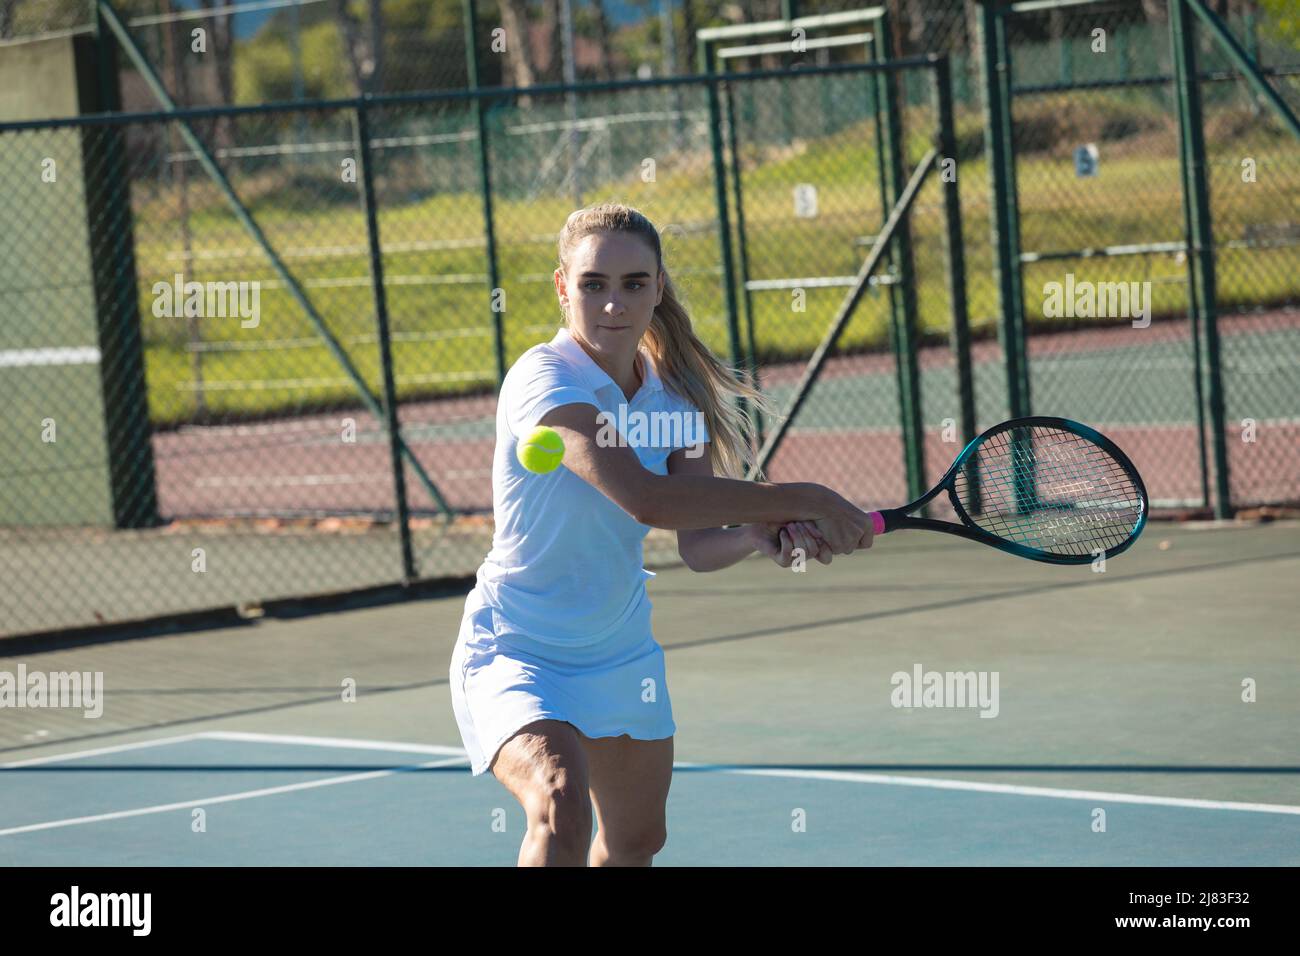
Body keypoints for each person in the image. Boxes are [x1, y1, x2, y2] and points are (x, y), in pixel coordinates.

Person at [448, 201, 874, 866]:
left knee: (637, 842)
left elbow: (697, 544)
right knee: (559, 802)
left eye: (633, 284)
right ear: (563, 287)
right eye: (593, 284)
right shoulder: (546, 380)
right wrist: (805, 497)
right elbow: (647, 499)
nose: (613, 305)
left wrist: (753, 535)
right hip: (519, 645)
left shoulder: (673, 399)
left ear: (658, 287)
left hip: (620, 650)